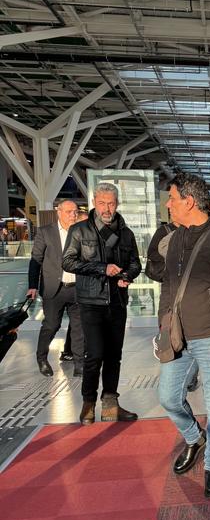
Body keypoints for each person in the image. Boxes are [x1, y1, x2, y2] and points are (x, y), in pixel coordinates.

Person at [157, 174, 210, 498]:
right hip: (178, 335)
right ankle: (194, 438)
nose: (168, 204)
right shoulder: (175, 238)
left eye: (172, 198)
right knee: (167, 397)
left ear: (189, 201)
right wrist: (164, 327)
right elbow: (168, 286)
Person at [62, 182, 141, 424]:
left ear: (117, 204)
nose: (107, 208)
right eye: (102, 203)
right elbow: (68, 262)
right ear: (95, 203)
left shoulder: (126, 233)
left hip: (117, 302)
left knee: (114, 355)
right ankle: (88, 403)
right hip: (91, 302)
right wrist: (102, 268)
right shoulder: (79, 230)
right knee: (94, 354)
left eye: (111, 203)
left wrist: (127, 276)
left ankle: (110, 405)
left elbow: (135, 263)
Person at [27, 199, 84, 377]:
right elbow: (36, 260)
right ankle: (42, 358)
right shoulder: (46, 232)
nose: (73, 215)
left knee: (79, 327)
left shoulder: (81, 231)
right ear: (58, 212)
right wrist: (32, 285)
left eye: (75, 211)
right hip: (54, 288)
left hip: (77, 288)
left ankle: (79, 364)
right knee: (52, 325)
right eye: (69, 212)